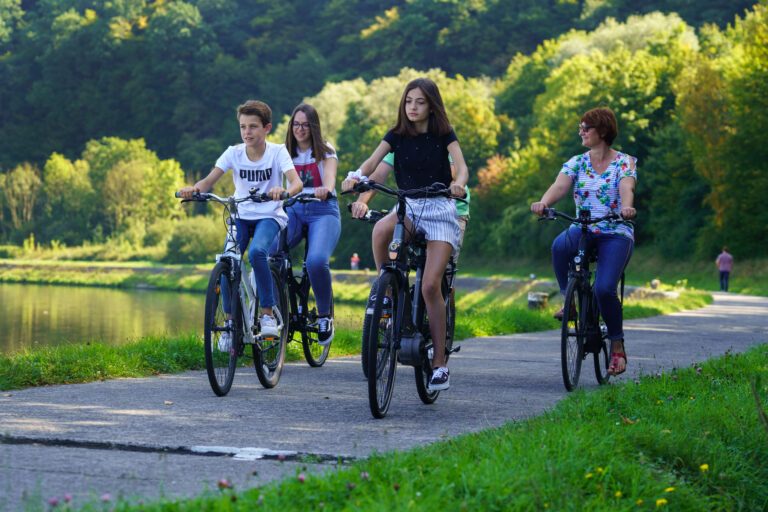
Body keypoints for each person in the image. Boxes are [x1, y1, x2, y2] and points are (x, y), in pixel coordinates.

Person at [343, 77, 468, 392]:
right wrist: (357, 178)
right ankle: (387, 289)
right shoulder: (396, 135)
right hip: (409, 206)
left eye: (420, 102)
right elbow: (372, 163)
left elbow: (462, 168)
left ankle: (439, 363)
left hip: (441, 209)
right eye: (409, 101)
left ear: (431, 106)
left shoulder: (444, 135)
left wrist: (459, 184)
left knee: (429, 287)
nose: (413, 107)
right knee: (381, 230)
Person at [178, 100, 303, 346]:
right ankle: (229, 325)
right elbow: (209, 180)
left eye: (253, 127)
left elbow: (296, 183)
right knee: (227, 260)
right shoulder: (233, 153)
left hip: (269, 215)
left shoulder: (277, 152)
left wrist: (284, 191)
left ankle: (267, 314)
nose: (247, 132)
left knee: (257, 252)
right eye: (243, 127)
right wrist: (195, 189)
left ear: (267, 128)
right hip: (240, 216)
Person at [530, 107, 637, 376]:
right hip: (584, 228)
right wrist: (544, 202)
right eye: (581, 127)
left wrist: (627, 207)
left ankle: (617, 344)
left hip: (615, 231)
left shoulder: (624, 162)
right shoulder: (577, 162)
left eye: (586, 128)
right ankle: (570, 300)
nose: (581, 131)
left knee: (603, 289)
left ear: (602, 131)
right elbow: (560, 186)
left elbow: (627, 187)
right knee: (559, 246)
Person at [281, 103, 340, 345]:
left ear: (313, 126)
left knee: (316, 261)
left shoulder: (325, 151)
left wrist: (325, 189)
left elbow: (330, 177)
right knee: (270, 253)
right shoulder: (283, 152)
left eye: (305, 125)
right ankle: (273, 312)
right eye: (296, 124)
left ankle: (324, 316)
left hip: (322, 210)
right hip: (293, 210)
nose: (300, 129)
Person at [348, 152, 471, 262]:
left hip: (452, 208)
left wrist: (454, 187)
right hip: (412, 206)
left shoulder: (439, 138)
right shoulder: (400, 142)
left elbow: (454, 174)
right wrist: (362, 201)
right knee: (394, 242)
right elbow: (378, 174)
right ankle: (389, 281)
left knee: (444, 271)